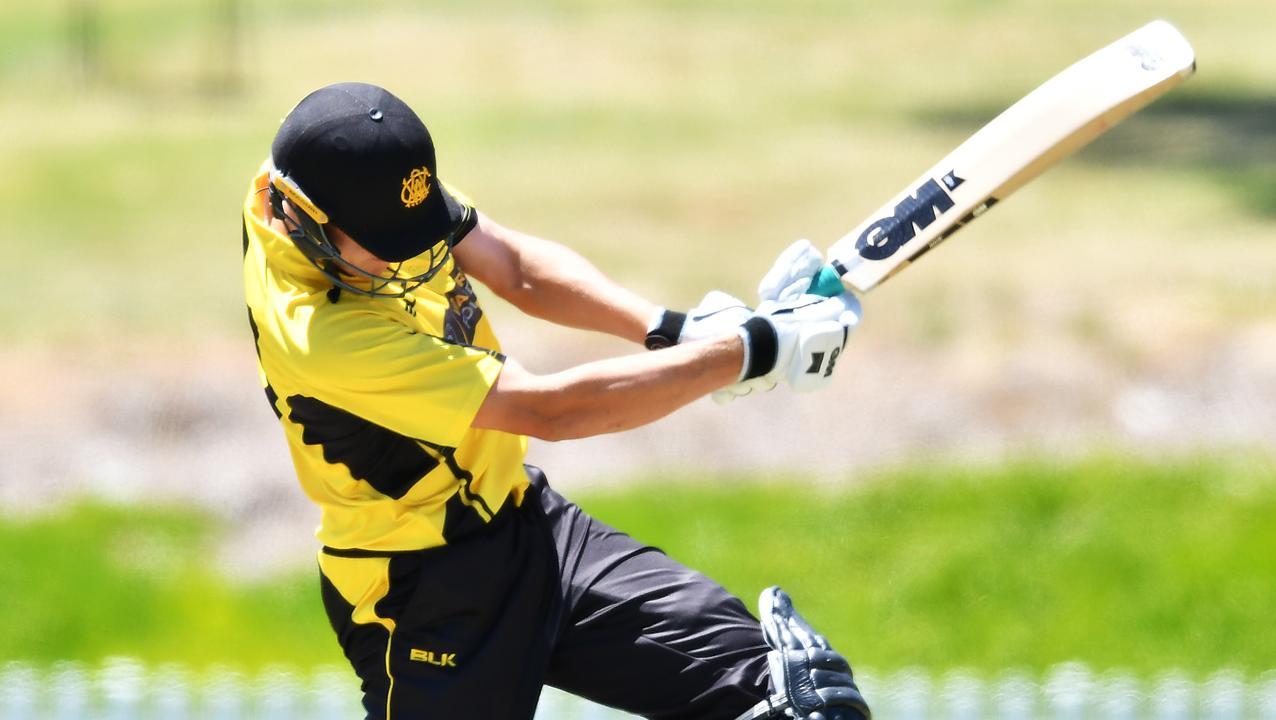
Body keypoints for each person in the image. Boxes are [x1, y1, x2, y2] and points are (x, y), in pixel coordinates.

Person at [241, 81, 870, 720]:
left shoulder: (343, 179)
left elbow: (512, 264)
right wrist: (747, 352)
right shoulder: (319, 334)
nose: (413, 256)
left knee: (797, 702)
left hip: (525, 522)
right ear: (306, 224)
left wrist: (673, 330)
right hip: (422, 592)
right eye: (387, 246)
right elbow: (549, 410)